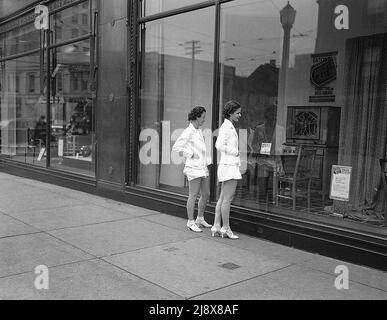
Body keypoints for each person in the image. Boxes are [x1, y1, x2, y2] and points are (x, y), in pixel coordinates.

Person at [172, 106, 212, 232]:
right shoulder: (188, 131)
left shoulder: (198, 130)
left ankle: (200, 218)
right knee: (193, 195)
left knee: (206, 194)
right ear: (197, 117)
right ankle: (190, 221)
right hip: (193, 168)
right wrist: (190, 154)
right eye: (203, 117)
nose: (204, 120)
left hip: (202, 167)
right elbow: (176, 147)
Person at [212, 100, 242, 239]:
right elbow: (219, 145)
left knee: (223, 198)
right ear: (230, 113)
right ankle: (226, 228)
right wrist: (235, 151)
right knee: (227, 200)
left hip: (227, 166)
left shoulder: (227, 126)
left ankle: (216, 226)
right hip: (229, 167)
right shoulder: (226, 127)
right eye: (237, 113)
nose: (239, 115)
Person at [251, 104, 286, 196]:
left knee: (275, 185)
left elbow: (284, 144)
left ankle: (274, 200)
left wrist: (278, 150)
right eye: (271, 114)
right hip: (262, 160)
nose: (273, 117)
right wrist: (259, 151)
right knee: (262, 186)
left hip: (275, 160)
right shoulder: (259, 129)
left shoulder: (280, 130)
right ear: (267, 115)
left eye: (275, 115)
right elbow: (254, 144)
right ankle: (262, 200)